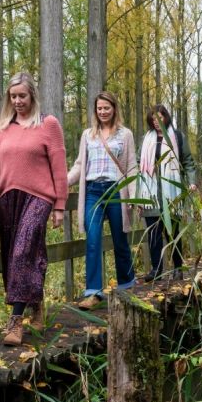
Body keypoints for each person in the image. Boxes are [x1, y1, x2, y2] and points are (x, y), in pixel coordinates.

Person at [0, 73, 68, 346]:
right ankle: (36, 303)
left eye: (22, 96)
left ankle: (16, 321)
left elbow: (59, 168)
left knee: (23, 252)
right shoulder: (3, 127)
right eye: (13, 96)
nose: (17, 101)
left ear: (33, 96)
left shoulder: (48, 124)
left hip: (39, 198)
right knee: (18, 257)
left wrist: (60, 206)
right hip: (8, 198)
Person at [66, 91, 137, 309]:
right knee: (93, 239)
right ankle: (94, 292)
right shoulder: (88, 135)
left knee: (120, 239)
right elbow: (79, 165)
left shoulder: (125, 135)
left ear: (114, 108)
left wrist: (134, 196)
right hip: (93, 191)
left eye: (107, 108)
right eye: (99, 108)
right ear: (95, 111)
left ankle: (126, 287)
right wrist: (63, 183)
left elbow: (131, 166)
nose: (103, 112)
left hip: (116, 190)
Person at [137, 104, 196, 280]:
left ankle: (178, 267)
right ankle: (157, 270)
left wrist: (191, 182)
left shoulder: (177, 137)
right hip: (151, 191)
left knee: (173, 231)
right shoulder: (147, 139)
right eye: (153, 119)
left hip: (172, 190)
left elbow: (188, 161)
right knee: (153, 232)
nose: (156, 122)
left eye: (159, 118)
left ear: (166, 117)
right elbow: (139, 162)